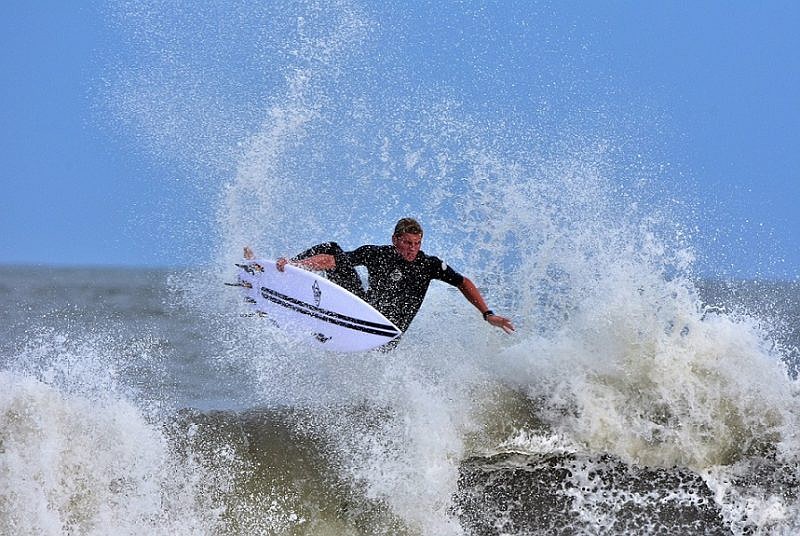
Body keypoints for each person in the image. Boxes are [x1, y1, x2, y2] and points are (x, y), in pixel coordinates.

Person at [244, 217, 515, 338]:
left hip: (388, 331)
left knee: (331, 255)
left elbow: (463, 282)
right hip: (364, 311)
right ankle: (283, 278)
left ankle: (290, 277)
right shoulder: (376, 254)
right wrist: (296, 264)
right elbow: (332, 261)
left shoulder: (429, 265)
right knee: (331, 247)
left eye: (417, 243)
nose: (412, 249)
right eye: (407, 243)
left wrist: (487, 313)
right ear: (395, 239)